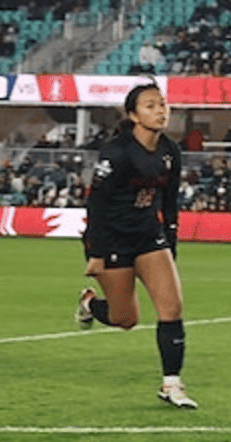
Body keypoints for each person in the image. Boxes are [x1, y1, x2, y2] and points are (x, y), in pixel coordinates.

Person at [75, 81, 195, 409]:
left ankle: (172, 384)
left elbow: (169, 202)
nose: (160, 111)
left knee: (172, 309)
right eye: (150, 106)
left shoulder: (170, 151)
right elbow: (96, 204)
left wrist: (170, 242)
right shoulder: (117, 152)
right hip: (113, 240)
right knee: (125, 319)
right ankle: (90, 304)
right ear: (133, 114)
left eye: (163, 104)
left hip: (149, 237)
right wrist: (95, 253)